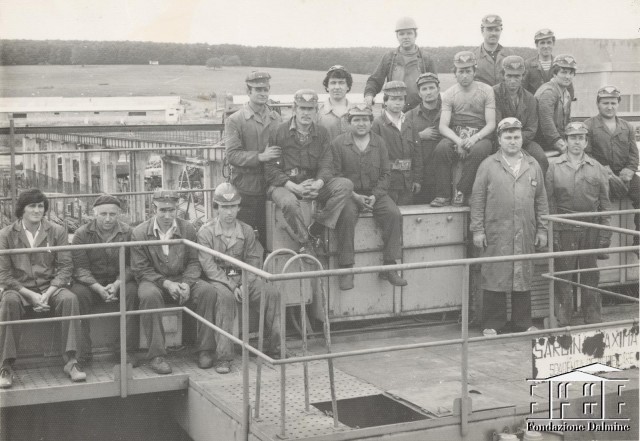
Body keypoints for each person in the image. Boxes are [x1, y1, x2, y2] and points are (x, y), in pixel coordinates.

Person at [130, 190, 235, 375]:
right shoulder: (139, 233)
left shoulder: (187, 229)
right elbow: (141, 269)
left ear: (177, 208)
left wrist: (187, 283)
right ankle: (157, 355)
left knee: (207, 291)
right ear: (153, 208)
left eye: (171, 210)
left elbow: (194, 261)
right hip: (154, 281)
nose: (167, 215)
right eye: (162, 210)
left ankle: (205, 349)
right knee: (148, 296)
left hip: (182, 278)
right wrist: (166, 284)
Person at [470, 118, 549, 335]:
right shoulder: (487, 165)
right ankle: (492, 324)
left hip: (525, 230)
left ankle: (522, 323)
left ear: (522, 138)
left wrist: (542, 229)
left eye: (516, 137)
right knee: (495, 273)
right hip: (496, 230)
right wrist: (477, 230)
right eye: (508, 137)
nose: (513, 141)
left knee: (522, 274)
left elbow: (541, 200)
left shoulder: (533, 165)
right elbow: (477, 199)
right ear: (499, 139)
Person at [0, 189, 85, 388]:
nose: (37, 210)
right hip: (20, 289)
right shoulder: (5, 235)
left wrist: (47, 294)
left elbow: (65, 267)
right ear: (22, 210)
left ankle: (72, 362)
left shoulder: (57, 231)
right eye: (32, 206)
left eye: (40, 206)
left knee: (70, 299)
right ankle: (6, 365)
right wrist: (29, 295)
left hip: (50, 288)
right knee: (8, 302)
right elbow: (4, 274)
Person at [197, 183, 281, 367]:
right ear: (216, 208)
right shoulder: (206, 233)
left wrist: (244, 283)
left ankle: (276, 348)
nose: (229, 212)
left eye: (233, 207)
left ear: (238, 208)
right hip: (219, 280)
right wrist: (233, 285)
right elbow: (209, 267)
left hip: (244, 279)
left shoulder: (247, 231)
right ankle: (224, 357)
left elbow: (253, 262)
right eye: (224, 207)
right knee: (225, 299)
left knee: (272, 293)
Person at [265, 89, 353, 254]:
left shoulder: (322, 133)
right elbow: (270, 168)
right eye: (302, 108)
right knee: (289, 203)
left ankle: (317, 228)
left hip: (313, 185)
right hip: (284, 185)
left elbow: (327, 163)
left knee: (345, 185)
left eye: (310, 109)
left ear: (316, 110)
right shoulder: (278, 132)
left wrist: (318, 184)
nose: (306, 113)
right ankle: (306, 242)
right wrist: (293, 186)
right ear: (294, 109)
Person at [332, 104, 407, 290]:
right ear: (349, 123)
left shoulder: (379, 142)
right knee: (346, 215)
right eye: (356, 120)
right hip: (350, 194)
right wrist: (354, 196)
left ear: (371, 122)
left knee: (393, 214)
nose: (361, 123)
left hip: (376, 193)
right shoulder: (338, 144)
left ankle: (389, 266)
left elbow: (386, 174)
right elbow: (335, 175)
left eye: (365, 119)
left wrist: (375, 196)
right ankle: (346, 269)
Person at [546, 122, 611, 326]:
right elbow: (548, 202)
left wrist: (605, 233)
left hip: (591, 228)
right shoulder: (553, 166)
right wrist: (553, 230)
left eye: (580, 138)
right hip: (564, 227)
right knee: (564, 274)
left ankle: (592, 317)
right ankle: (563, 317)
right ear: (565, 141)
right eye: (572, 138)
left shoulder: (597, 168)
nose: (576, 142)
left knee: (590, 274)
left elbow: (605, 204)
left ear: (586, 142)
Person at [71, 194, 139, 364]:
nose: (108, 219)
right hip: (91, 283)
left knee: (132, 292)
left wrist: (116, 284)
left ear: (119, 214)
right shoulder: (82, 234)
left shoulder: (128, 232)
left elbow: (132, 265)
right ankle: (83, 353)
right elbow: (80, 268)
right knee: (77, 295)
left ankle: (125, 350)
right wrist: (98, 288)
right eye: (103, 214)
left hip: (118, 280)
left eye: (112, 214)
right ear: (94, 214)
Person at [431, 51, 496, 207]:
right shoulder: (449, 94)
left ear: (474, 72)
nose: (465, 75)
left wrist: (474, 139)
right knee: (441, 149)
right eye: (461, 71)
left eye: (468, 71)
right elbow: (443, 126)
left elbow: (491, 123)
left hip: (480, 134)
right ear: (455, 73)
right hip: (457, 133)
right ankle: (443, 195)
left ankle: (462, 191)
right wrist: (459, 141)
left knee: (479, 151)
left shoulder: (486, 90)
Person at [225, 71, 282, 247]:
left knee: (270, 238)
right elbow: (232, 155)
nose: (262, 93)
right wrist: (260, 157)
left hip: (270, 186)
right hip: (246, 188)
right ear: (248, 92)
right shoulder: (235, 120)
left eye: (265, 89)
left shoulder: (276, 118)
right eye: (258, 89)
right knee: (243, 237)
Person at [585, 86, 639, 250]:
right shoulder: (589, 126)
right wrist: (603, 171)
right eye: (605, 103)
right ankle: (602, 241)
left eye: (613, 103)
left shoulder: (627, 127)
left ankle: (638, 240)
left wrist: (630, 170)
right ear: (598, 104)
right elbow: (586, 154)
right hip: (599, 174)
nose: (610, 107)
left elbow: (634, 154)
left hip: (624, 175)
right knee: (596, 202)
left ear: (618, 104)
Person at [364, 17, 436, 112]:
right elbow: (375, 80)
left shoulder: (426, 58)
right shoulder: (389, 57)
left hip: (420, 112)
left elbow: (434, 87)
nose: (405, 37)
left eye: (409, 33)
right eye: (401, 34)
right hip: (394, 111)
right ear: (397, 36)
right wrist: (369, 94)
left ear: (415, 35)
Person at [493, 55, 548, 174]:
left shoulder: (530, 99)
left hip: (523, 141)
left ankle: (539, 190)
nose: (513, 80)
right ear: (503, 75)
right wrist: (508, 140)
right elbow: (495, 123)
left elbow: (532, 128)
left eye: (517, 76)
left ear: (523, 76)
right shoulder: (493, 94)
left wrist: (517, 140)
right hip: (499, 141)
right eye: (509, 76)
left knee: (541, 158)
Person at [371, 81, 422, 205]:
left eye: (400, 99)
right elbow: (373, 157)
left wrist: (417, 179)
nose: (397, 102)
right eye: (393, 99)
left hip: (407, 182)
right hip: (388, 183)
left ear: (405, 101)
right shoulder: (377, 124)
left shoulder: (410, 123)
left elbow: (417, 153)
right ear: (385, 101)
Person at [405, 72, 442, 204]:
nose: (428, 92)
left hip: (443, 175)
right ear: (419, 93)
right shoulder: (410, 116)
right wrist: (420, 135)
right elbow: (401, 142)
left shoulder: (447, 112)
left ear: (438, 90)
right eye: (424, 89)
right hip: (420, 176)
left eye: (432, 88)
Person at [534, 54, 577, 154]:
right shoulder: (548, 92)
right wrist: (562, 145)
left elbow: (567, 122)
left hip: (558, 137)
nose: (567, 77)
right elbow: (546, 123)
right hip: (543, 140)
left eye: (571, 73)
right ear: (554, 73)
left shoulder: (566, 93)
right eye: (563, 72)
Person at [523, 29, 574, 99]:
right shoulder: (528, 65)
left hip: (556, 106)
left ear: (553, 44)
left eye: (549, 42)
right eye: (542, 43)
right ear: (536, 45)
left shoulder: (561, 64)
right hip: (534, 107)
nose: (546, 46)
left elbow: (569, 91)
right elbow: (522, 91)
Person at [471, 14, 514, 86]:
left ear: (501, 31)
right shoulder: (472, 56)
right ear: (482, 30)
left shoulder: (510, 55)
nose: (493, 33)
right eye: (489, 29)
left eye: (497, 30)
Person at [317, 65, 353, 141]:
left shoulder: (356, 111)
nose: (337, 87)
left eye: (341, 83)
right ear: (327, 87)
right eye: (333, 83)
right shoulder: (318, 112)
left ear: (348, 87)